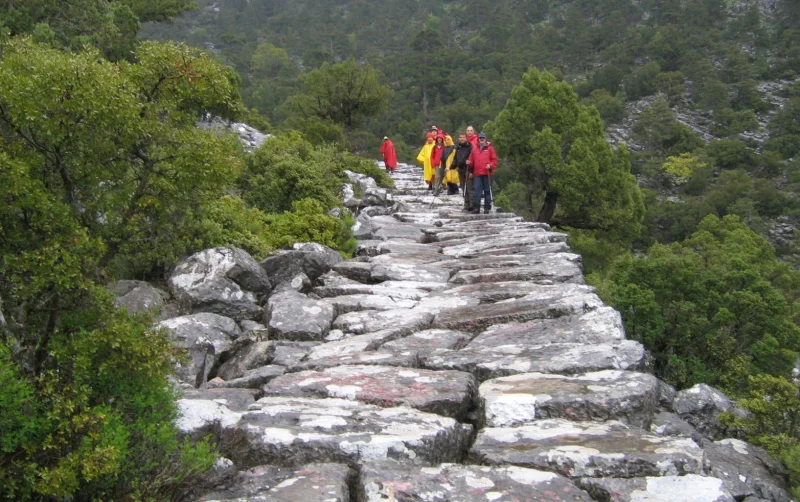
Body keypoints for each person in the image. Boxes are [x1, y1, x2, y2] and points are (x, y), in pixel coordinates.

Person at [467, 132, 498, 214]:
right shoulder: (474, 149)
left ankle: (486, 208)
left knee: (487, 191)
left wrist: (490, 165)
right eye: (480, 138)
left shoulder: (490, 149)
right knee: (477, 191)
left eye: (483, 138)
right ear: (478, 139)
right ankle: (476, 208)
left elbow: (494, 161)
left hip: (487, 173)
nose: (481, 139)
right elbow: (471, 162)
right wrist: (469, 163)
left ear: (485, 139)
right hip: (477, 174)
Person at [454, 132, 473, 210]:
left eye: (463, 137)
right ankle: (466, 204)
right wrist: (451, 167)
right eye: (460, 137)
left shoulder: (470, 147)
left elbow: (473, 158)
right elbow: (455, 159)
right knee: (463, 187)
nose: (462, 139)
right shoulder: (458, 147)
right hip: (460, 170)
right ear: (458, 138)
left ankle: (472, 205)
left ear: (466, 138)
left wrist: (471, 170)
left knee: (469, 188)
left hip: (468, 169)